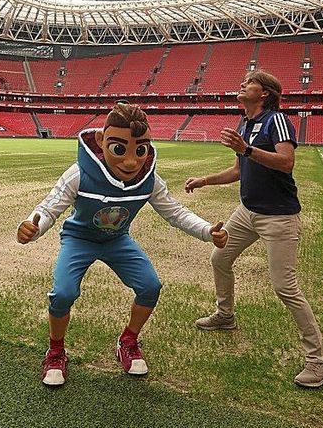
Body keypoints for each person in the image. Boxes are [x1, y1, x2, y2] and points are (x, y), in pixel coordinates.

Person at [17, 103, 228, 387]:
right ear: (103, 142)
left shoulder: (149, 181)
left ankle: (127, 341)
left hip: (117, 240)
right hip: (79, 239)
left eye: (139, 150)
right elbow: (50, 206)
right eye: (120, 149)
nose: (130, 162)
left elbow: (175, 212)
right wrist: (34, 226)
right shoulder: (79, 174)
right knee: (63, 293)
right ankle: (56, 350)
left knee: (150, 286)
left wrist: (207, 230)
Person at [185, 69, 323, 388]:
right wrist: (205, 180)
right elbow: (240, 170)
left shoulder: (275, 120)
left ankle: (319, 361)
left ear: (264, 93)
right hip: (248, 211)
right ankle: (225, 315)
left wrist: (247, 148)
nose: (241, 85)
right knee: (219, 259)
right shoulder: (245, 124)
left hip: (279, 216)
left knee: (285, 287)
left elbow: (286, 162)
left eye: (248, 83)